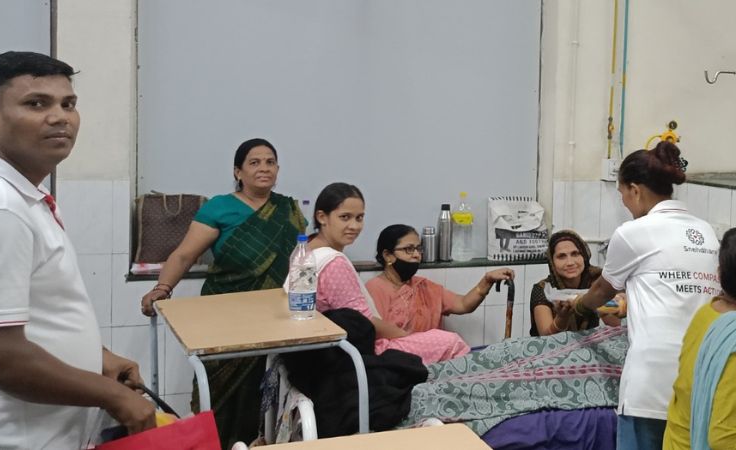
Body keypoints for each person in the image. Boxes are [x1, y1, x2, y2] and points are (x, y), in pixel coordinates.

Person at [0, 51, 155, 449]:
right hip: (3, 440)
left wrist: (97, 358)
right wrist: (114, 397)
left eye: (68, 104)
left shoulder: (15, 195)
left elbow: (25, 313)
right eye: (36, 103)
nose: (60, 117)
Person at [140, 138, 306, 447]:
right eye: (254, 162)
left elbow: (303, 257)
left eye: (270, 162)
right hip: (223, 313)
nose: (264, 168)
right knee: (217, 390)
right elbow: (183, 256)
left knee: (268, 390)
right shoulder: (220, 207)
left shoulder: (289, 209)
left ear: (278, 169)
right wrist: (162, 288)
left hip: (274, 316)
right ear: (238, 172)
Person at [571, 141, 720, 450]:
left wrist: (578, 306)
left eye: (622, 194)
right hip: (700, 380)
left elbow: (603, 289)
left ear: (635, 190)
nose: (624, 202)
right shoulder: (706, 232)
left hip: (651, 381)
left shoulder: (633, 232)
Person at [298, 182, 471, 364]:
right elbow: (364, 323)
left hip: (335, 348)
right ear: (322, 217)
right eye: (345, 217)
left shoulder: (306, 251)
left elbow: (462, 303)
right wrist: (406, 338)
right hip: (361, 351)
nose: (354, 226)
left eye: (359, 218)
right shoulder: (334, 263)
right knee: (449, 341)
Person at [365, 224, 514, 345]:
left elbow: (463, 304)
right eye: (409, 249)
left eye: (418, 249)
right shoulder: (374, 289)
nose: (417, 255)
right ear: (388, 255)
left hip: (434, 362)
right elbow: (378, 336)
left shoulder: (424, 286)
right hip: (396, 365)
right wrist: (417, 345)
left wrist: (486, 281)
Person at [664, 227, 736, 450]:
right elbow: (723, 438)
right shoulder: (732, 338)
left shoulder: (707, 313)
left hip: (676, 439)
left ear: (719, 273)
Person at [530, 229, 622, 336]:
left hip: (588, 348)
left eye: (575, 254)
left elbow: (616, 327)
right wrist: (562, 317)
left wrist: (599, 301)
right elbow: (546, 337)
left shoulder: (596, 283)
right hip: (553, 350)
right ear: (552, 262)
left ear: (584, 257)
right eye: (561, 256)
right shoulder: (543, 289)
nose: (570, 262)